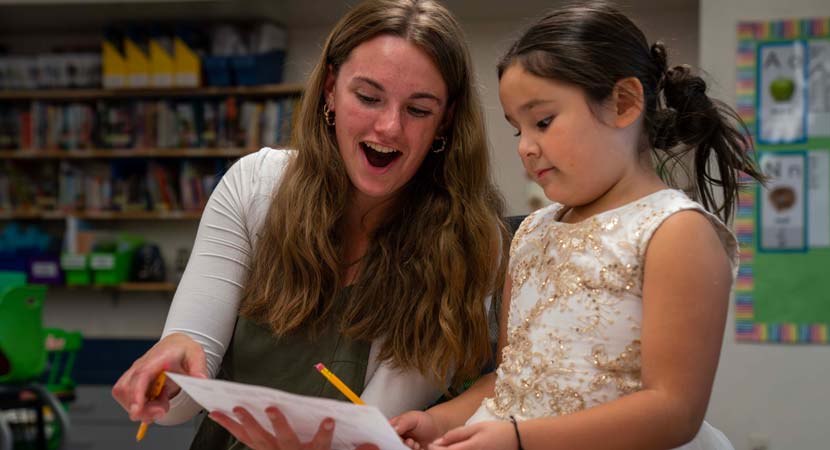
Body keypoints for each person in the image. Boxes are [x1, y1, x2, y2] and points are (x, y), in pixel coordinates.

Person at [111, 0, 507, 448]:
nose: (389, 127)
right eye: (368, 97)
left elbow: (373, 426)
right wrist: (172, 370)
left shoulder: (470, 242)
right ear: (330, 91)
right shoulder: (254, 186)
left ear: (446, 122)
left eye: (418, 110)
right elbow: (176, 408)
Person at [391, 2, 767, 449]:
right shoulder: (531, 232)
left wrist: (519, 439)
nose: (526, 148)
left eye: (543, 122)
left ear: (624, 104)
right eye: (518, 130)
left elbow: (673, 409)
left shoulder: (675, 232)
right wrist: (439, 422)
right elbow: (510, 378)